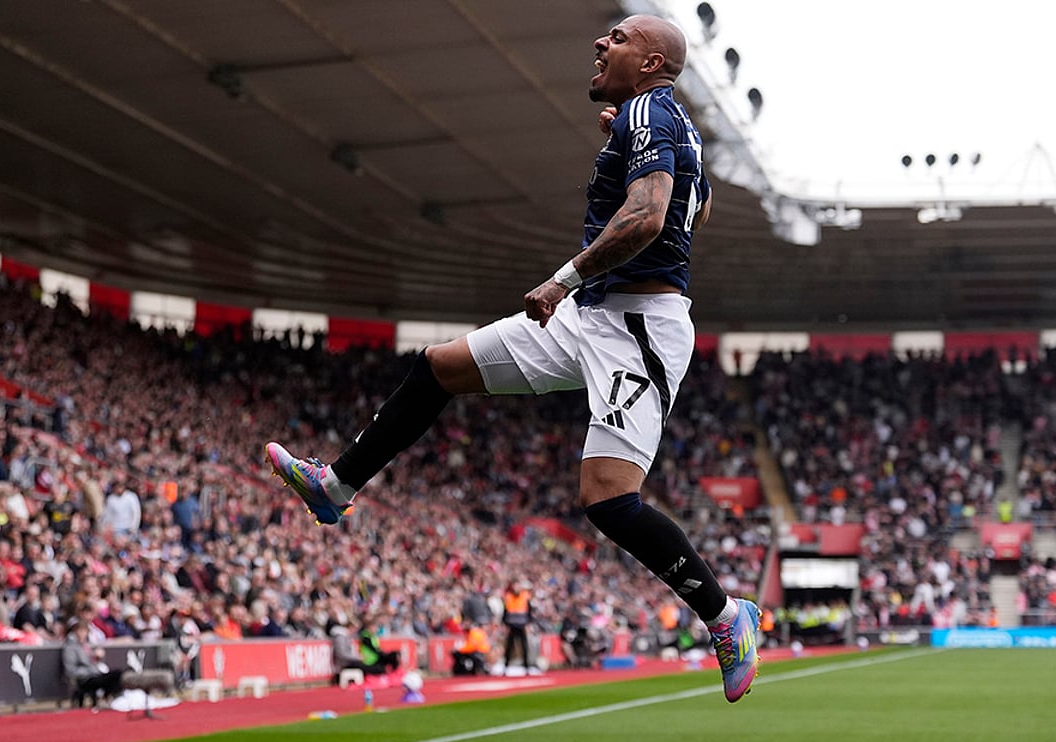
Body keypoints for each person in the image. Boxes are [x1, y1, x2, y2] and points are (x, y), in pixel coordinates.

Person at [266, 13, 759, 703]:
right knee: (439, 366)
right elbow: (694, 212)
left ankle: (727, 616)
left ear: (652, 63)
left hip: (636, 326)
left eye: (618, 38)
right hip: (597, 315)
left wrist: (564, 278)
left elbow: (651, 218)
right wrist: (631, 153)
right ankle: (336, 487)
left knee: (608, 499)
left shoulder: (650, 109)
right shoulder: (661, 123)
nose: (600, 42)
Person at [62, 620, 124, 708]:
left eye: (85, 631)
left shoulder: (85, 645)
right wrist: (92, 670)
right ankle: (105, 698)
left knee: (118, 674)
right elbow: (71, 670)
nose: (83, 634)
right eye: (80, 631)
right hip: (84, 678)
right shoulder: (70, 648)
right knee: (111, 676)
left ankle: (106, 697)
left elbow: (91, 663)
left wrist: (97, 659)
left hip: (93, 674)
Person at [502, 580, 534, 675]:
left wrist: (529, 623)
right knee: (509, 647)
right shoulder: (508, 597)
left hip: (522, 625)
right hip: (512, 626)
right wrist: (505, 624)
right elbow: (505, 612)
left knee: (524, 647)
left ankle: (526, 667)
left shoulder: (525, 596)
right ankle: (506, 667)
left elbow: (529, 612)